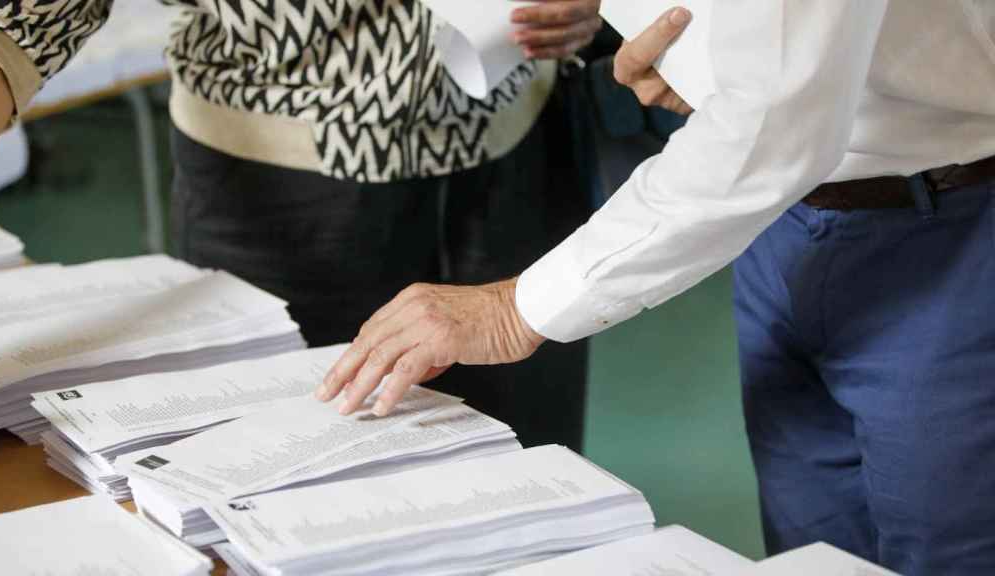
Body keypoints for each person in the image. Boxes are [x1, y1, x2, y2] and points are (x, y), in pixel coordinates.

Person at [321, 2, 995, 574]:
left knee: (947, 550)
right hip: (781, 228)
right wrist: (698, 57)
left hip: (950, 229)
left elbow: (775, 127)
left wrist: (512, 309)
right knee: (813, 553)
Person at [0, 0, 602, 452]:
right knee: (299, 479)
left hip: (521, 147)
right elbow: (20, 17)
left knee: (527, 476)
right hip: (277, 189)